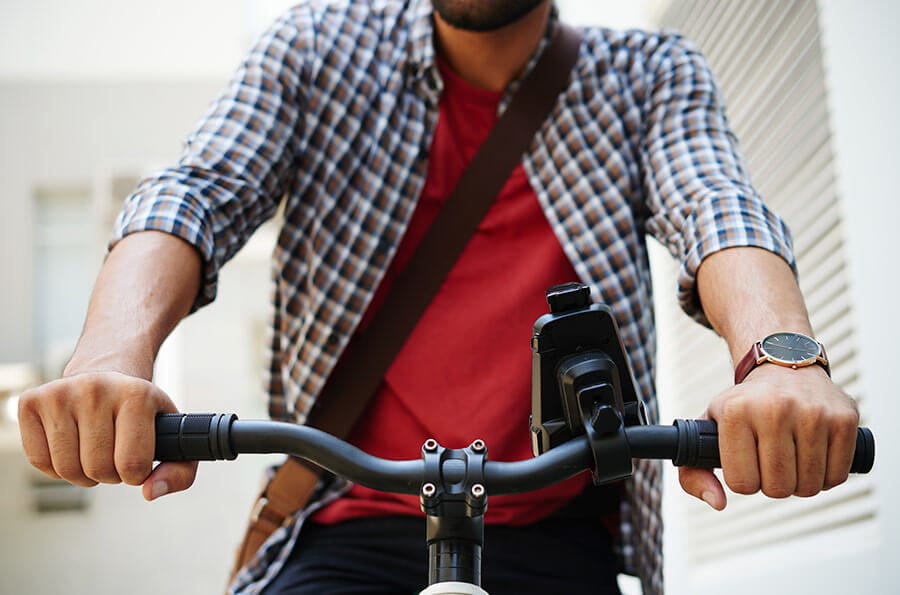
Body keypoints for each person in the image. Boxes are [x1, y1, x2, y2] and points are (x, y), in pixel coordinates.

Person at [17, 1, 860, 594]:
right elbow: (194, 193)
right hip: (346, 521)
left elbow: (717, 205)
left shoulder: (646, 76)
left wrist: (779, 359)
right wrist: (108, 361)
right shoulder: (317, 50)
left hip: (557, 530)